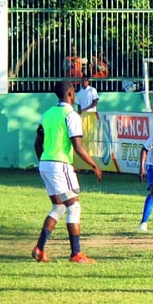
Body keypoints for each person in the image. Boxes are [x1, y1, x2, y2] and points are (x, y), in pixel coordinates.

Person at [32, 79, 103, 264]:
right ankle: (76, 254)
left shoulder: (47, 114)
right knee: (74, 206)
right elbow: (77, 146)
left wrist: (46, 161)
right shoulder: (71, 115)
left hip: (45, 164)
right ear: (70, 93)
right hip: (59, 165)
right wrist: (94, 165)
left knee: (59, 206)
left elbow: (37, 143)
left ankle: (40, 248)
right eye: (74, 91)